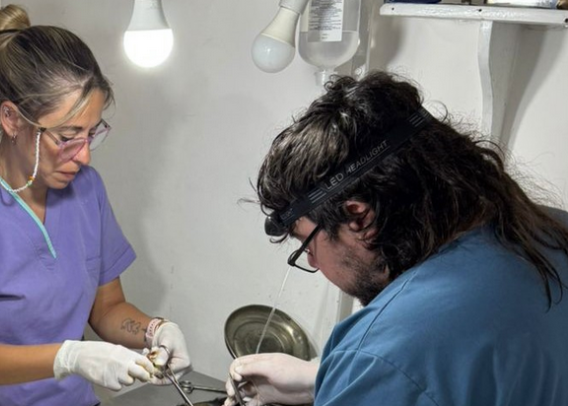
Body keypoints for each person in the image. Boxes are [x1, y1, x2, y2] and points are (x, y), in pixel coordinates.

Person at [0, 5, 191, 406]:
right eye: (68, 137)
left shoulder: (86, 190)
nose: (84, 155)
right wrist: (69, 357)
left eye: (91, 134)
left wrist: (155, 330)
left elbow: (107, 308)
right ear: (12, 119)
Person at [224, 71, 568, 406]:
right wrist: (325, 377)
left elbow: (408, 365)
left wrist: (361, 373)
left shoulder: (386, 354)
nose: (312, 260)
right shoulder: (547, 230)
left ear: (359, 217)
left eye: (306, 243)